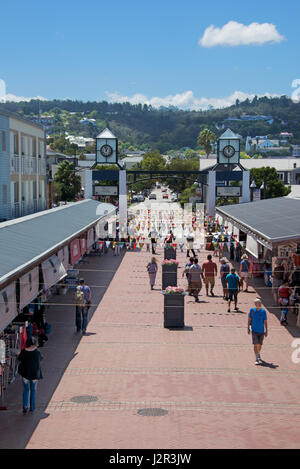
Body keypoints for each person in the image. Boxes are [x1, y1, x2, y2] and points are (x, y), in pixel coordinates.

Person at [18, 336, 43, 414]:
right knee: (33, 390)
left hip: (25, 373)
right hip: (35, 374)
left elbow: (19, 359)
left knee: (26, 389)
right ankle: (32, 407)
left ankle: (25, 406)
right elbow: (41, 358)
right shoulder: (37, 352)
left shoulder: (23, 352)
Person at [248, 299, 268, 365]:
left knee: (260, 345)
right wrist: (248, 328)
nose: (260, 304)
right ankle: (256, 358)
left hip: (261, 331)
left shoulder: (263, 311)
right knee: (255, 344)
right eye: (258, 303)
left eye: (260, 303)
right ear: (255, 304)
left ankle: (258, 353)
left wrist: (266, 330)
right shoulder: (252, 310)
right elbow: (249, 319)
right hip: (254, 330)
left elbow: (265, 321)